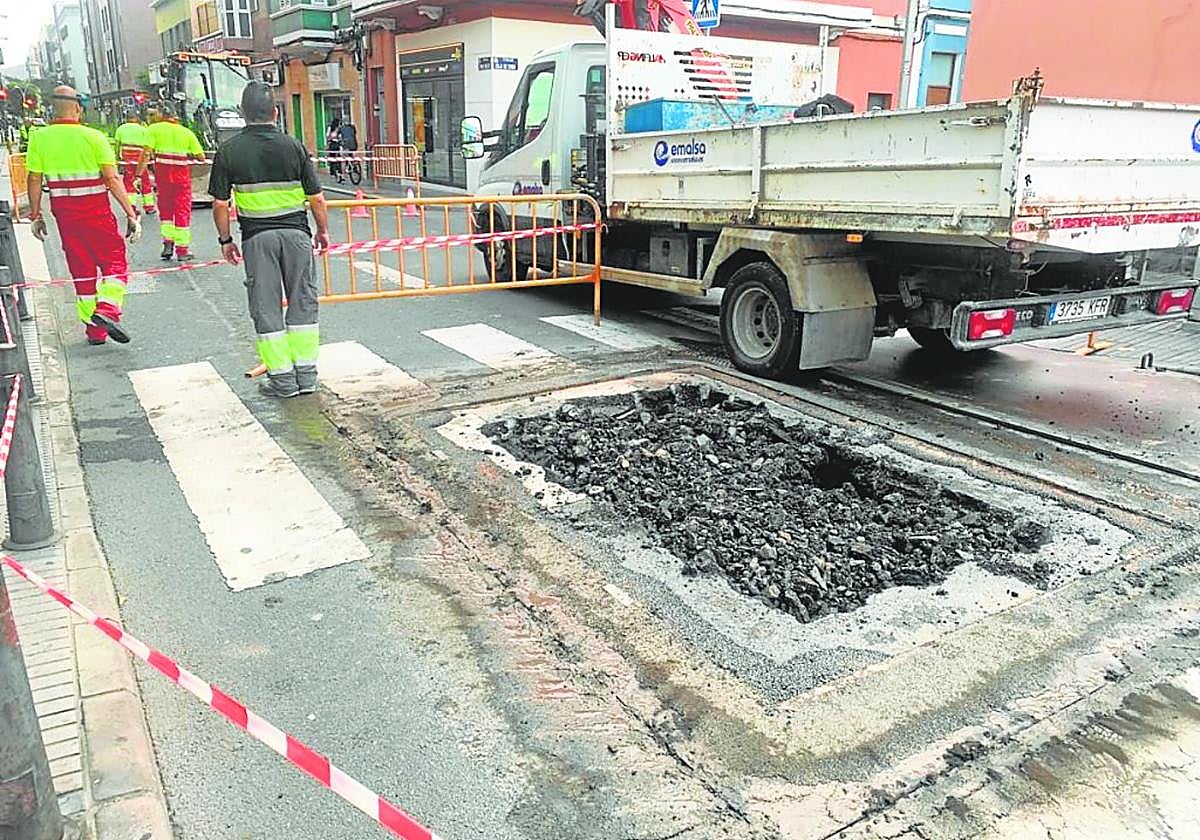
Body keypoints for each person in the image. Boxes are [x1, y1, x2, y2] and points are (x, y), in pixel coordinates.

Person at [208, 82, 330, 398]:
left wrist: (225, 240)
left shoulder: (229, 151)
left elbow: (220, 204)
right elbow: (316, 198)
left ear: (242, 113)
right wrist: (322, 230)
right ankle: (307, 377)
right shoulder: (294, 147)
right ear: (275, 112)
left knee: (266, 307)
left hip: (257, 238)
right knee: (303, 301)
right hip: (297, 236)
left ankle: (283, 381)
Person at [25, 86, 141, 345]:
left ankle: (95, 332)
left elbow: (34, 179)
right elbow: (112, 178)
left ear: (53, 109)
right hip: (96, 213)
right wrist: (130, 213)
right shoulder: (94, 137)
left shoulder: (39, 139)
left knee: (82, 269)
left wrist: (35, 215)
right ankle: (108, 309)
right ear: (77, 108)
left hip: (65, 217)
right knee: (114, 262)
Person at [140, 108, 204, 261]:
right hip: (181, 180)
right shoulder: (186, 133)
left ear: (162, 115)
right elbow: (201, 157)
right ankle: (182, 250)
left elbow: (146, 153)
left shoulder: (153, 129)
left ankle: (168, 243)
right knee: (182, 212)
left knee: (166, 212)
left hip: (163, 180)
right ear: (176, 117)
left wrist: (138, 173)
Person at [114, 112, 156, 215]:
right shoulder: (143, 129)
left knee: (129, 183)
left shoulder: (120, 129)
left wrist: (117, 158)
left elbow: (117, 145)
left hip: (127, 161)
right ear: (137, 119)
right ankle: (149, 207)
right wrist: (152, 158)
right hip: (140, 161)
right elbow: (148, 146)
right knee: (145, 182)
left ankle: (131, 207)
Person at [325, 117, 344, 182]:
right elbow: (339, 137)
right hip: (335, 144)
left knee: (334, 159)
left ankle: (335, 172)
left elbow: (327, 136)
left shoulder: (332, 128)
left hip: (333, 144)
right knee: (336, 159)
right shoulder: (336, 129)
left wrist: (329, 139)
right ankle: (337, 172)